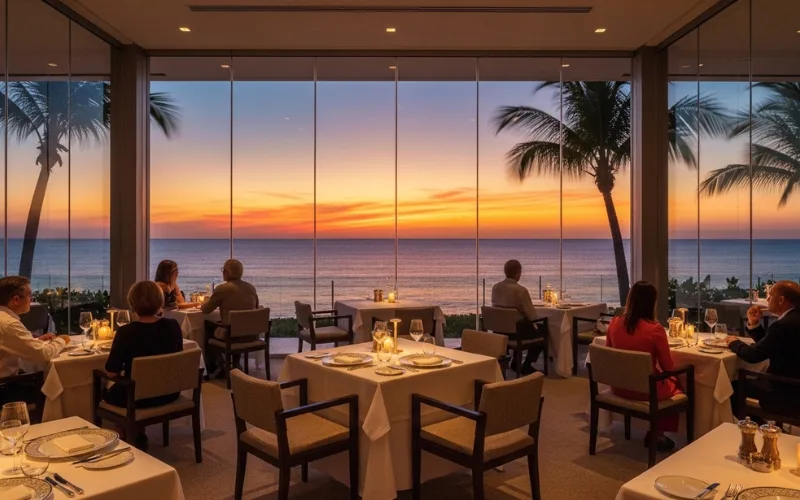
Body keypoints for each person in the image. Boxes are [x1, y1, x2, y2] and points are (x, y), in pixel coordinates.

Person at [104, 280, 183, 448]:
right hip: (169, 392)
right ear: (160, 301)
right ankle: (135, 430)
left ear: (132, 304)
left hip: (137, 399)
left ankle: (124, 428)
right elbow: (177, 358)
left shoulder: (126, 332)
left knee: (112, 385)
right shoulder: (173, 326)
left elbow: (111, 372)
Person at [606, 281, 682, 451]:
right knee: (677, 384)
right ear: (651, 303)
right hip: (645, 391)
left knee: (664, 382)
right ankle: (658, 433)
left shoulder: (614, 323)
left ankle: (654, 431)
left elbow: (609, 355)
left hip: (618, 386)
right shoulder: (655, 330)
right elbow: (668, 367)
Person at [725, 280, 800, 416]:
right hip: (794, 387)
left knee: (728, 388)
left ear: (781, 300)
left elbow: (753, 356)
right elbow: (772, 346)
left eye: (770, 296)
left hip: (785, 391)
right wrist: (754, 323)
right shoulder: (792, 320)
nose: (767, 299)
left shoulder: (783, 325)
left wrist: (733, 342)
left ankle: (756, 428)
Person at [0, 276, 70, 379]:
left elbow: (9, 345)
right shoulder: (9, 324)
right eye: (29, 295)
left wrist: (35, 341)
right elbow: (43, 355)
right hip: (7, 389)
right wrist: (61, 340)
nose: (32, 299)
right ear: (16, 300)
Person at [201, 259, 259, 374]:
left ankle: (220, 365)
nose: (222, 273)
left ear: (227, 272)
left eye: (223, 270)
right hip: (251, 334)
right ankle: (236, 364)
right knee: (237, 326)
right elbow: (256, 308)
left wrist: (204, 301)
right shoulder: (251, 288)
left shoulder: (222, 289)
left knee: (208, 328)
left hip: (232, 337)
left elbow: (206, 310)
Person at [491, 259, 543, 375]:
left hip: (499, 331)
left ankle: (515, 361)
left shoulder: (496, 288)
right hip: (516, 333)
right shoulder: (521, 291)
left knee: (519, 325)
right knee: (545, 330)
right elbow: (533, 316)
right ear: (518, 273)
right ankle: (527, 364)